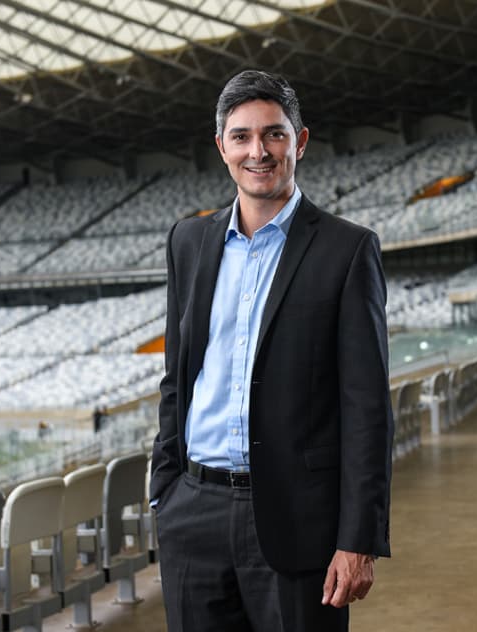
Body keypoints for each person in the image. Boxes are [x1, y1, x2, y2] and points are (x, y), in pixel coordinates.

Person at [149, 69, 394, 631]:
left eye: (274, 134)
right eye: (241, 137)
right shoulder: (188, 241)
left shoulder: (348, 249)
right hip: (193, 513)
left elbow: (366, 408)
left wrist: (359, 538)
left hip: (298, 519)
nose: (257, 152)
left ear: (299, 141)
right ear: (222, 147)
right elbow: (177, 377)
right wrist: (166, 489)